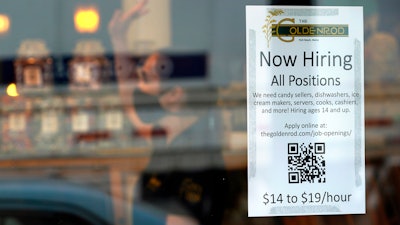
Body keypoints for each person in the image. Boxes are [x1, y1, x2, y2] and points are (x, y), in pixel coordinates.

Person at [108, 1, 227, 224]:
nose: (136, 87)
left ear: (174, 95)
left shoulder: (194, 162)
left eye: (145, 78)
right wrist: (118, 39)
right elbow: (128, 98)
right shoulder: (168, 137)